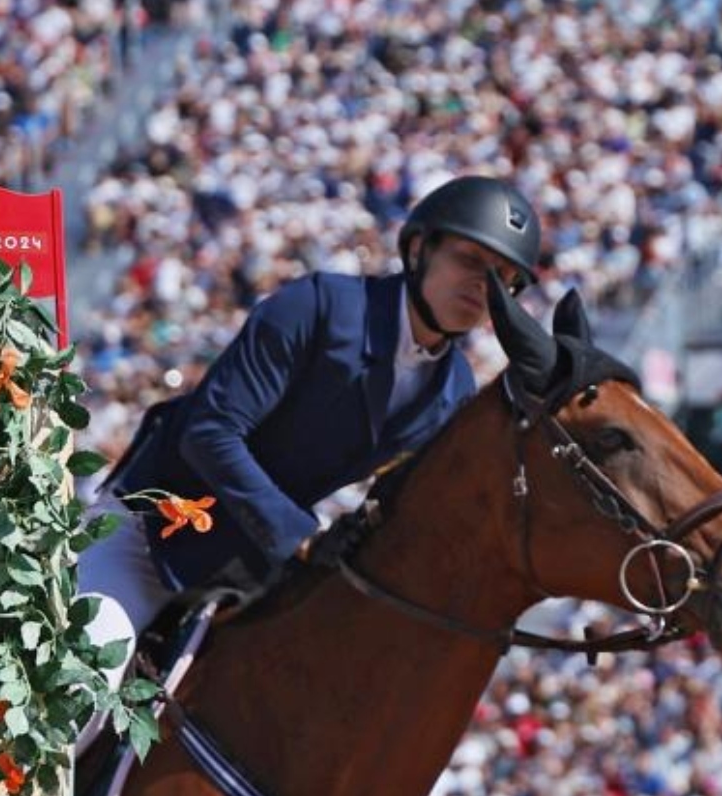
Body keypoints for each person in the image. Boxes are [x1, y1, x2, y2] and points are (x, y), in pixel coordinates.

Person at [78, 175, 543, 707]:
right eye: (471, 260)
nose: (486, 287)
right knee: (77, 695)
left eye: (505, 280)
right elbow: (210, 433)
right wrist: (299, 535)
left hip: (247, 576)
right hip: (149, 535)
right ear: (419, 248)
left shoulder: (454, 389)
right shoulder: (320, 305)